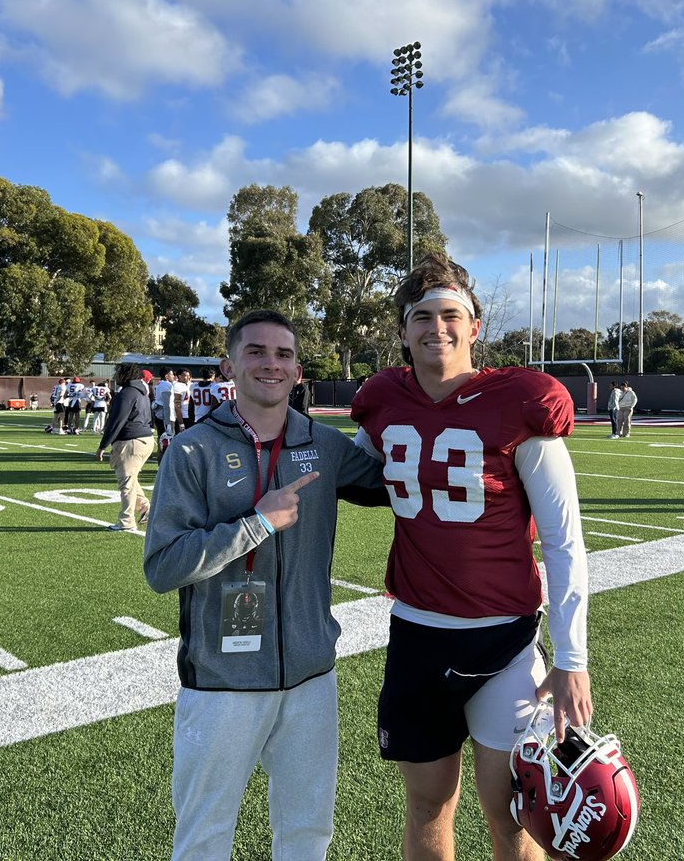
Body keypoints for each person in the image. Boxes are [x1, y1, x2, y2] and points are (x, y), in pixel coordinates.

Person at [350, 251, 591, 861]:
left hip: (502, 641)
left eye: (451, 315)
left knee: (514, 815)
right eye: (423, 316)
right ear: (403, 331)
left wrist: (571, 657)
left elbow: (563, 539)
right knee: (427, 806)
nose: (438, 328)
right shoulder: (383, 399)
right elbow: (346, 471)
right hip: (416, 635)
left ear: (474, 326)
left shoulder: (520, 401)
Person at [144, 309, 384, 861]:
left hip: (310, 677)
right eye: (256, 351)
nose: (270, 364)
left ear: (299, 370)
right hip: (222, 682)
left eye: (283, 354)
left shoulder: (324, 445)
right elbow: (162, 567)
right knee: (204, 838)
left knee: (306, 835)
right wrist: (254, 524)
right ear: (229, 364)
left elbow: (398, 479)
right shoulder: (191, 450)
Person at [95, 363, 155, 531]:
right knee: (131, 479)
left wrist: (102, 446)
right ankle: (145, 507)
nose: (116, 376)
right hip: (145, 439)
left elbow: (116, 422)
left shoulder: (126, 394)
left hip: (131, 441)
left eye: (119, 373)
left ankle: (127, 522)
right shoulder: (141, 392)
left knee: (126, 483)